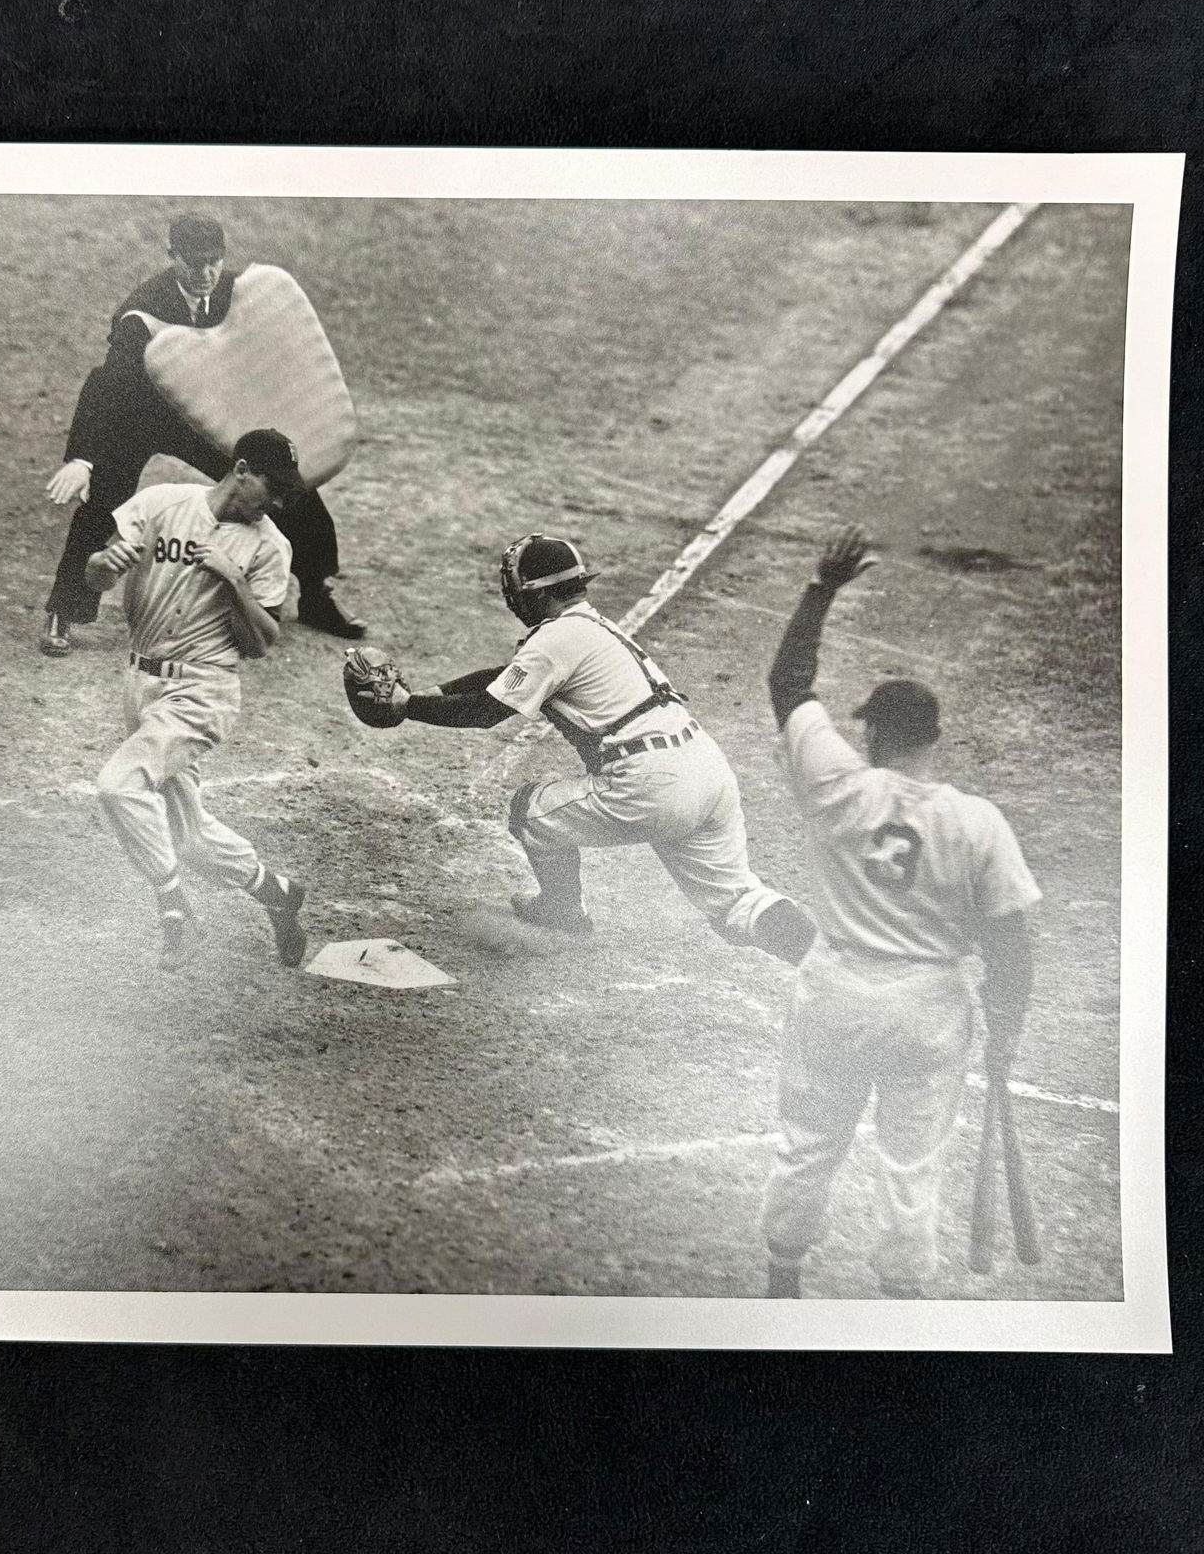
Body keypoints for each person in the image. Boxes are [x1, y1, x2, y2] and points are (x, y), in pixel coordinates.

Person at [760, 526, 1040, 1299]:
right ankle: (903, 1297)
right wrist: (1006, 1028)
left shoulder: (837, 785)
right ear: (935, 739)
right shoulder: (977, 823)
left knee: (808, 1142)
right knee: (913, 1163)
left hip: (836, 990)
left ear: (874, 733)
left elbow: (789, 684)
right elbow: (1009, 944)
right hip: (928, 1007)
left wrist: (823, 587)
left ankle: (783, 1277)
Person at [348, 532, 817, 962]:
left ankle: (563, 913)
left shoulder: (555, 639)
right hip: (706, 770)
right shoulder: (586, 627)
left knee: (530, 812)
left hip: (650, 783)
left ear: (534, 593)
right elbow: (503, 677)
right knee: (738, 903)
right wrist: (428, 693)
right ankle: (826, 962)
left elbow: (486, 711)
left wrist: (407, 706)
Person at [41, 212, 365, 654]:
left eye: (214, 261)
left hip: (206, 416)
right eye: (194, 262)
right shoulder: (140, 311)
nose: (206, 273)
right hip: (141, 414)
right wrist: (82, 459)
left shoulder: (239, 293)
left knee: (287, 484)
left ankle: (316, 594)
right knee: (103, 501)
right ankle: (64, 609)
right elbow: (105, 386)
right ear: (172, 255)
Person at [87, 428, 311, 971]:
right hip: (141, 683)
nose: (277, 502)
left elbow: (260, 644)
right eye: (272, 487)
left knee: (119, 785)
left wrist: (234, 581)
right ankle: (276, 892)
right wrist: (102, 566)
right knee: (185, 835)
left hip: (203, 691)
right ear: (241, 470)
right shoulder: (162, 503)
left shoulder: (269, 546)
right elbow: (94, 574)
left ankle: (173, 908)